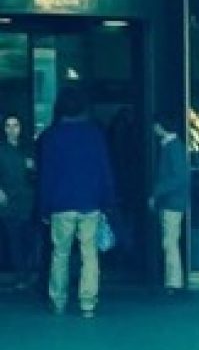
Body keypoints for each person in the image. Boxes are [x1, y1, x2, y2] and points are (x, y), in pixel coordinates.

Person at [38, 83, 116, 318]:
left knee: (60, 254)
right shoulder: (95, 134)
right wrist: (108, 201)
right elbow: (105, 171)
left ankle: (58, 301)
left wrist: (43, 208)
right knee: (89, 254)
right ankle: (88, 303)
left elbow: (46, 176)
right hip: (90, 203)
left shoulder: (51, 136)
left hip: (60, 204)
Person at [148, 113, 191, 294]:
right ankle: (172, 281)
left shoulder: (172, 148)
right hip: (172, 201)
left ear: (161, 126)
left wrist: (156, 192)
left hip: (172, 202)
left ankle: (173, 282)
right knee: (170, 241)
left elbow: (179, 177)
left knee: (170, 242)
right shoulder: (173, 146)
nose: (153, 128)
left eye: (155, 125)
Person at [0, 114, 37, 290]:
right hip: (9, 200)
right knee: (15, 239)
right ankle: (21, 275)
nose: (12, 129)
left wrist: (32, 168)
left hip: (27, 199)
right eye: (8, 125)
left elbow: (35, 176)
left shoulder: (28, 149)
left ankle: (26, 273)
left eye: (15, 125)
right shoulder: (1, 150)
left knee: (28, 239)